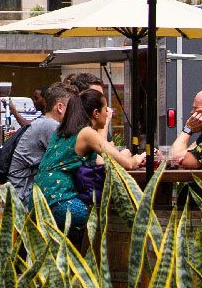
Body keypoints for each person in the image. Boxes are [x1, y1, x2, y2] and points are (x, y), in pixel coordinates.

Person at [31, 86, 145, 231]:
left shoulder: (61, 132)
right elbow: (128, 164)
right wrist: (140, 157)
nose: (108, 114)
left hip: (38, 203)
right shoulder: (86, 133)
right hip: (60, 203)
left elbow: (101, 160)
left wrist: (125, 154)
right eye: (105, 110)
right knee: (109, 217)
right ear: (96, 113)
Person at [3, 83, 69, 201]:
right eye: (71, 107)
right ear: (60, 107)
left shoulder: (44, 122)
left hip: (20, 191)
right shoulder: (50, 125)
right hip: (22, 195)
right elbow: (66, 158)